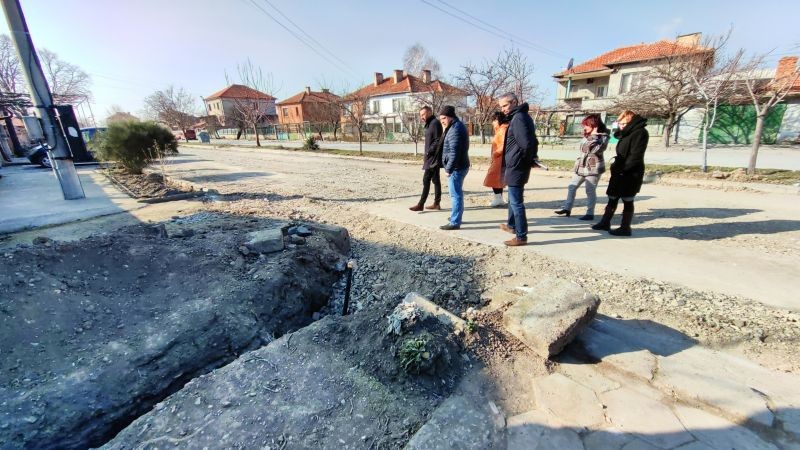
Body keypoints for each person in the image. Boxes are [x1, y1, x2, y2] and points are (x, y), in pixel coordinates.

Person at [592, 110, 649, 236]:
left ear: (631, 122)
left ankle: (625, 227)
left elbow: (636, 155)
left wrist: (624, 169)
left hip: (631, 172)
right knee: (612, 197)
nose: (621, 126)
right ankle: (605, 222)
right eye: (619, 123)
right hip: (619, 170)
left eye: (623, 123)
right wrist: (616, 168)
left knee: (627, 199)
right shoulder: (625, 133)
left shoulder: (640, 133)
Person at [498, 92, 538, 246]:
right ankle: (512, 226)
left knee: (516, 203)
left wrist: (527, 160)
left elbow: (526, 144)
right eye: (501, 106)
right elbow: (533, 141)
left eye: (505, 105)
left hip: (517, 166)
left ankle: (521, 236)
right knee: (513, 199)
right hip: (515, 165)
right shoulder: (520, 116)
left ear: (514, 102)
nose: (503, 109)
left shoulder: (519, 118)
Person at [554, 114, 609, 220]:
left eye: (587, 125)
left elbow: (594, 150)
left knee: (590, 190)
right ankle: (567, 208)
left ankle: (590, 213)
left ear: (594, 125)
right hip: (581, 167)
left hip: (593, 168)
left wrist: (594, 136)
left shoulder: (603, 137)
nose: (584, 127)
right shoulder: (587, 135)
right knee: (572, 186)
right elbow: (583, 149)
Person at [438, 105, 469, 231]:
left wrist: (448, 169)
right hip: (459, 165)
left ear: (451, 117)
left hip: (456, 167)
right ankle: (455, 217)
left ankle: (455, 222)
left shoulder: (455, 129)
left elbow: (454, 152)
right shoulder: (455, 126)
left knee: (456, 195)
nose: (442, 121)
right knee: (456, 194)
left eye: (444, 118)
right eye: (441, 119)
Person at [409, 106, 443, 211]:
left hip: (433, 158)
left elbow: (438, 140)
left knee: (426, 179)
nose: (422, 117)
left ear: (429, 112)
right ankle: (436, 203)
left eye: (423, 114)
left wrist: (429, 151)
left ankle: (421, 204)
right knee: (435, 180)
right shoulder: (430, 124)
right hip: (430, 158)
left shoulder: (435, 123)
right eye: (421, 115)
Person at [483, 111, 508, 207]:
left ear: (498, 120)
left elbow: (503, 145)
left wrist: (495, 154)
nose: (492, 123)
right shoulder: (501, 129)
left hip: (500, 158)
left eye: (493, 120)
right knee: (498, 178)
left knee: (493, 177)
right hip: (499, 158)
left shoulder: (503, 130)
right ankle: (499, 198)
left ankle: (498, 198)